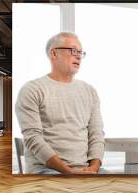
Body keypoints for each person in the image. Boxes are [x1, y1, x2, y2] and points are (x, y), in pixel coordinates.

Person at [15, 32, 105, 175]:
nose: (78, 56)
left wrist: (93, 169)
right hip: (46, 170)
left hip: (86, 169)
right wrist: (69, 172)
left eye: (81, 52)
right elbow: (33, 138)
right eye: (73, 50)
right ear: (54, 53)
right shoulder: (32, 90)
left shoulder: (90, 91)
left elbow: (97, 135)